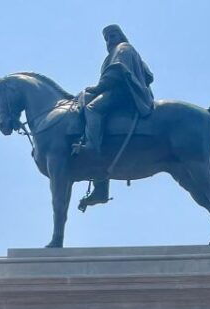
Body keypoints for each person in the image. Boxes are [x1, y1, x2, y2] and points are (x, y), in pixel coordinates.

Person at [74, 24, 154, 208]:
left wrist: (100, 87)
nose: (110, 40)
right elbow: (149, 75)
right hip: (126, 91)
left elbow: (116, 71)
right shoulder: (124, 51)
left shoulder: (123, 48)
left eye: (113, 35)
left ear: (121, 35)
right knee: (83, 98)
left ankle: (92, 148)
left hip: (125, 93)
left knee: (92, 108)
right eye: (107, 38)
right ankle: (100, 187)